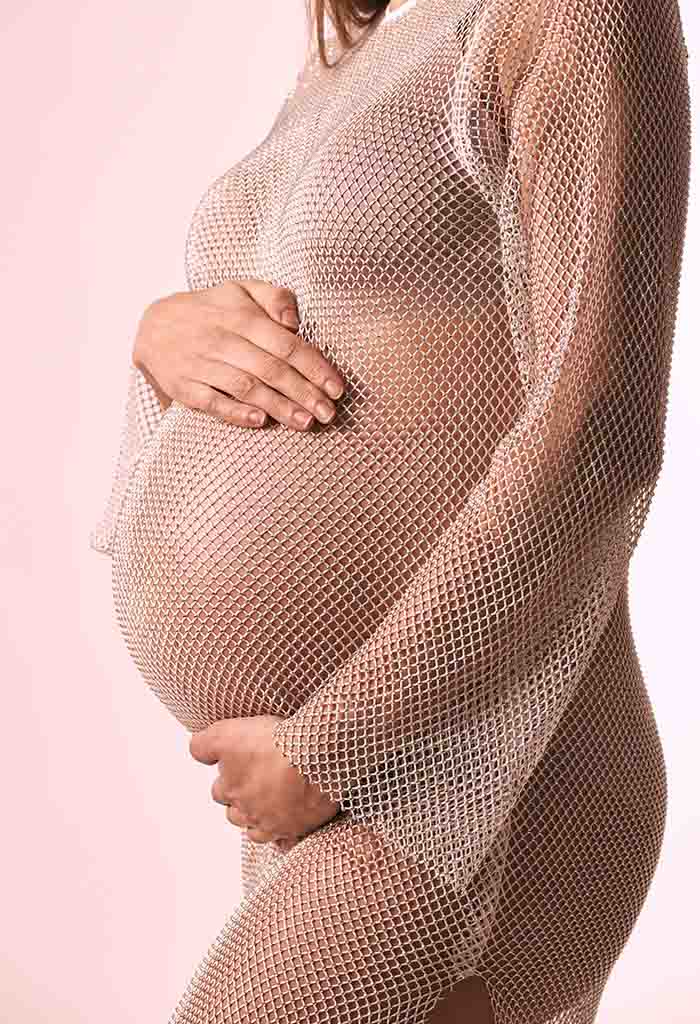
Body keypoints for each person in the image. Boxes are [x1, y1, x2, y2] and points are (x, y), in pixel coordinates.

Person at [90, 0, 691, 1021]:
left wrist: (337, 745)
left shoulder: (574, 11)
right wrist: (159, 345)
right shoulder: (359, 45)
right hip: (334, 785)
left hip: (478, 772)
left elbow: (597, 434)